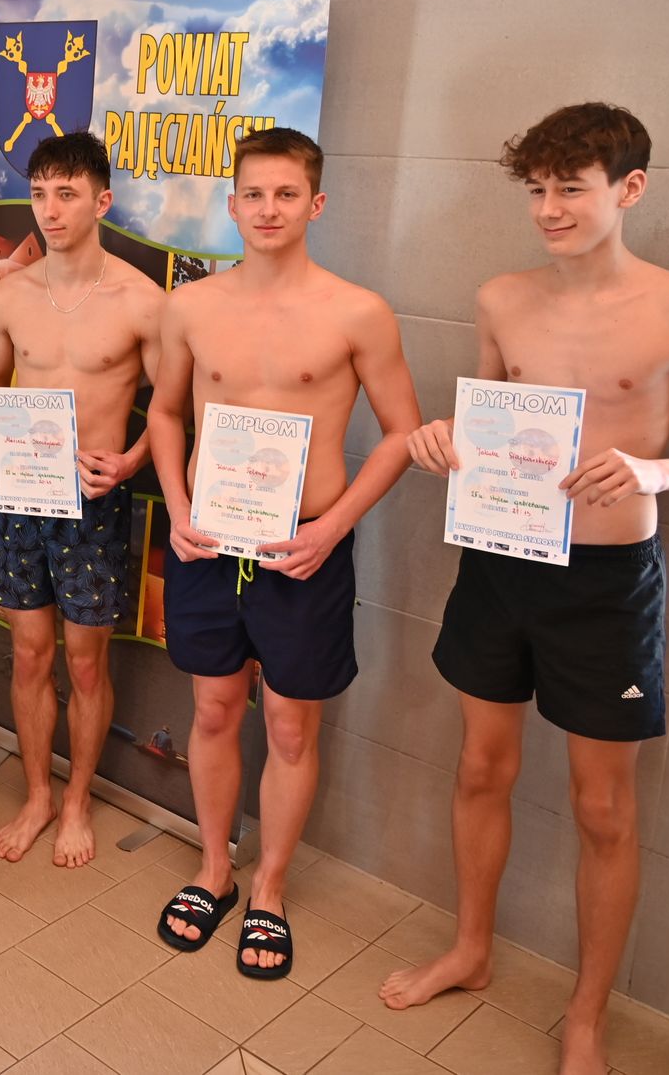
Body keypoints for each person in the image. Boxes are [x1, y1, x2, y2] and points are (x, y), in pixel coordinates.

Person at [378, 104, 669, 1075]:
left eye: (570, 188)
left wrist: (655, 470)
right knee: (479, 766)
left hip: (606, 581)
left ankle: (585, 1014)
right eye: (536, 189)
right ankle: (470, 947)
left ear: (629, 188)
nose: (548, 208)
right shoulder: (502, 298)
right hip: (500, 558)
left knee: (603, 807)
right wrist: (441, 440)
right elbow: (490, 423)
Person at [148, 126, 420, 978]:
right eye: (254, 195)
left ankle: (269, 885)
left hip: (304, 547)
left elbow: (403, 433)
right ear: (232, 204)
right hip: (206, 539)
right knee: (213, 709)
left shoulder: (357, 312)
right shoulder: (191, 307)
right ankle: (214, 869)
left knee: (291, 724)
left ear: (316, 203)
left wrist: (330, 529)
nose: (269, 209)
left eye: (287, 194)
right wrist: (178, 507)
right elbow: (164, 413)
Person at [0, 131, 165, 868]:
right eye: (40, 193)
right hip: (18, 492)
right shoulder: (10, 295)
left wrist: (132, 460)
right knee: (27, 653)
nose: (49, 209)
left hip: (92, 502)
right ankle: (39, 794)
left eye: (67, 194)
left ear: (101, 201)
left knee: (83, 664)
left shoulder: (143, 302)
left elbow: (174, 407)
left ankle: (78, 800)